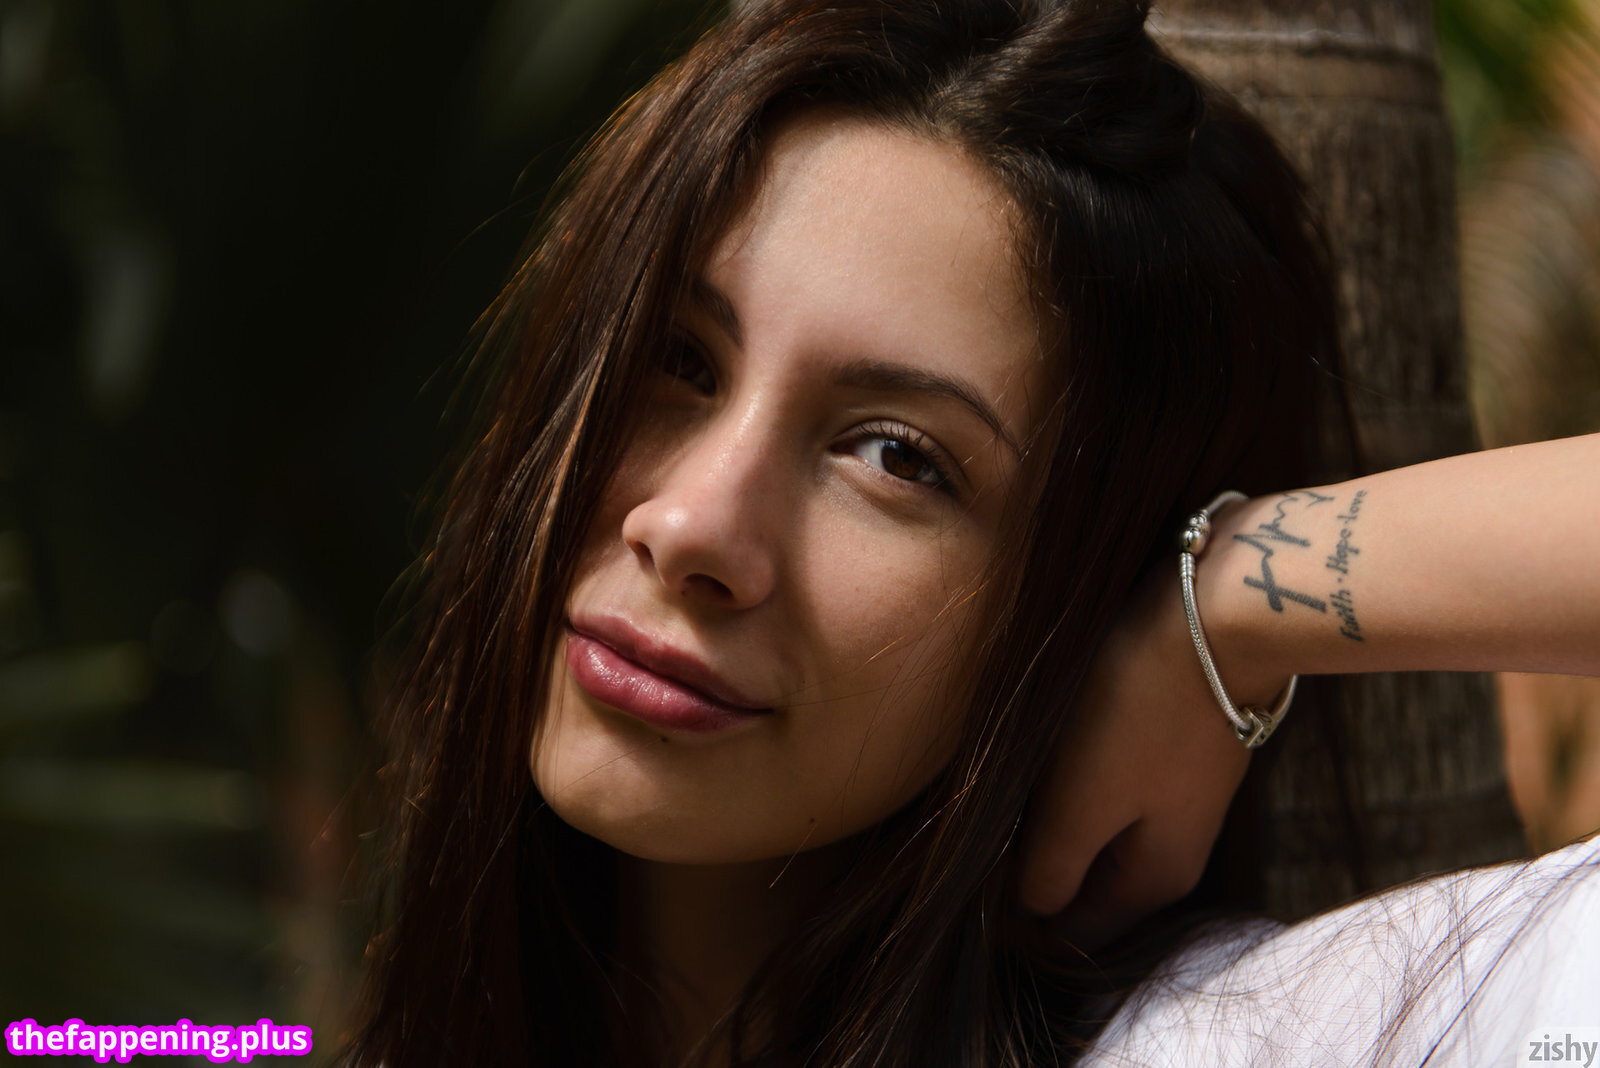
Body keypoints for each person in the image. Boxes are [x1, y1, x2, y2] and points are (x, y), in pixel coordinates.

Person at [340, 1, 1600, 1065]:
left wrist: (1214, 609)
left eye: (898, 455)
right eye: (677, 357)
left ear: (1073, 591)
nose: (690, 528)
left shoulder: (1244, 1039)